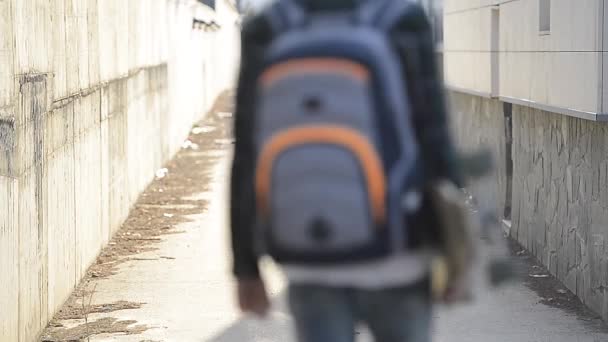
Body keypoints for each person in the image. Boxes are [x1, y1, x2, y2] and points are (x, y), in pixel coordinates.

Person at [229, 0, 463, 341]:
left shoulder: (268, 27)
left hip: (310, 257)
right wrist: (454, 251)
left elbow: (248, 150)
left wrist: (245, 266)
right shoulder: (402, 19)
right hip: (400, 254)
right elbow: (434, 140)